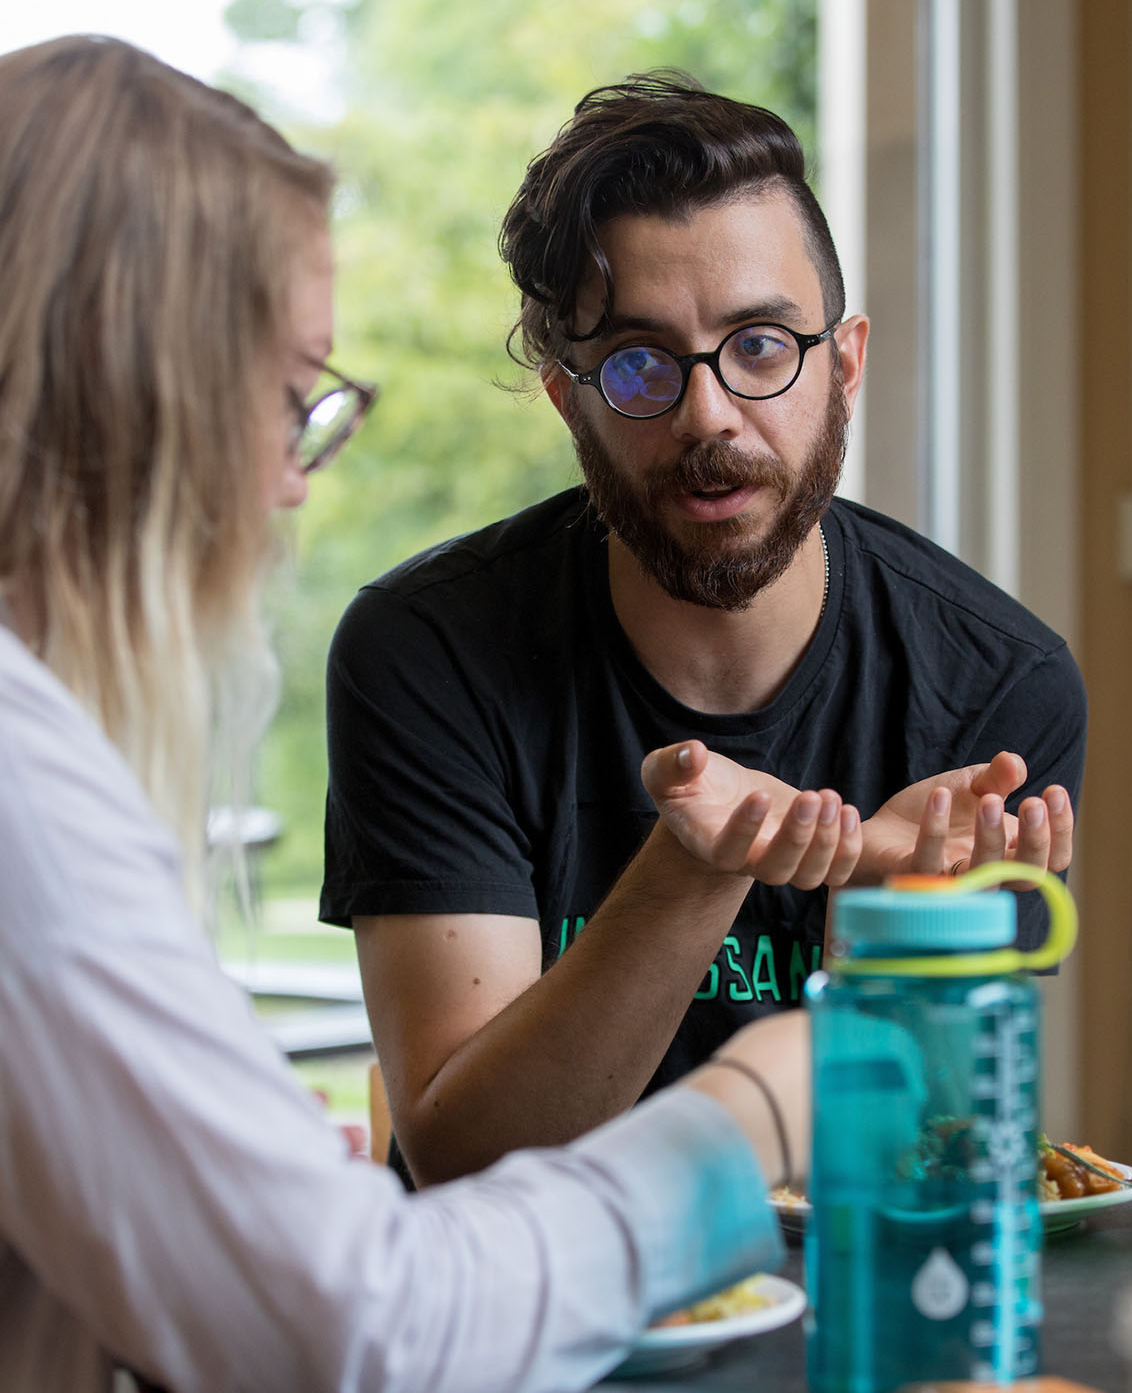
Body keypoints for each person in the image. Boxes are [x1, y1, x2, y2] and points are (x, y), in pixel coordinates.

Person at [0, 40, 809, 1393]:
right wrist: (761, 1104)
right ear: (135, 391)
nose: (292, 483)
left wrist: (225, 1199)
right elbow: (362, 1339)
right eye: (294, 397)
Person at [324, 73, 1086, 1188]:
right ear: (565, 397)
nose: (710, 414)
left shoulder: (994, 685)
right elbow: (465, 1155)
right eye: (638, 364)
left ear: (848, 364)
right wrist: (692, 870)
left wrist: (879, 937)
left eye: (764, 345)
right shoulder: (428, 652)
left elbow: (932, 1170)